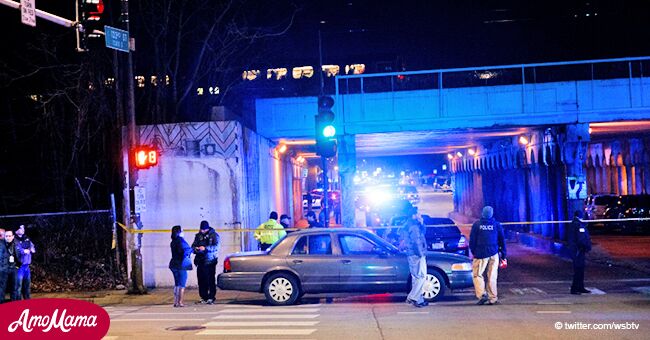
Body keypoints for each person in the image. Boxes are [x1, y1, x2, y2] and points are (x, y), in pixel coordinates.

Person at [469, 206, 507, 305]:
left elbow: (472, 241)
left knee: (477, 275)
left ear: (482, 213)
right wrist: (503, 254)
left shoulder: (477, 225)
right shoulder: (496, 225)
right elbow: (502, 240)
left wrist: (474, 252)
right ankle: (493, 297)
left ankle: (482, 295)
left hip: (480, 254)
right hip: (494, 253)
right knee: (492, 276)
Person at [399, 205, 428, 308]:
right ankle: (413, 297)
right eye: (418, 213)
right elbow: (417, 241)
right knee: (422, 276)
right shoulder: (414, 227)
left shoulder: (410, 225)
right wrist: (421, 254)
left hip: (411, 253)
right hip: (416, 254)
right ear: (413, 215)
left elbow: (422, 233)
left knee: (416, 277)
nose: (420, 214)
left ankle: (419, 300)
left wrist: (421, 223)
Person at [192, 221, 220, 304]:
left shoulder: (214, 235)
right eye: (201, 229)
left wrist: (205, 248)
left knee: (210, 279)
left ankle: (211, 297)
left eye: (203, 230)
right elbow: (193, 246)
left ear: (207, 228)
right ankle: (203, 297)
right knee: (201, 279)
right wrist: (196, 249)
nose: (202, 231)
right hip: (200, 260)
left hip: (210, 261)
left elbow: (216, 247)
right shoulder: (198, 236)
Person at [567, 211, 592, 295]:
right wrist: (585, 246)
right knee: (578, 270)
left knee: (581, 270)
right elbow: (580, 239)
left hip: (580, 250)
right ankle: (574, 288)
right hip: (578, 251)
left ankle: (580, 287)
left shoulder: (579, 224)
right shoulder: (577, 224)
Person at [169, 225, 192, 307]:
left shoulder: (173, 241)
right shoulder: (181, 241)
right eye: (182, 231)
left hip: (173, 264)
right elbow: (185, 251)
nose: (183, 232)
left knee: (177, 283)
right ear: (179, 232)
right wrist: (192, 249)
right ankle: (180, 302)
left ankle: (175, 302)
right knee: (182, 284)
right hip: (181, 265)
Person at [14, 225, 35, 300]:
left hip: (27, 266)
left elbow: (32, 247)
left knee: (27, 286)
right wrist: (23, 251)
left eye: (23, 228)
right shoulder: (14, 239)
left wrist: (32, 248)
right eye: (21, 228)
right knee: (18, 286)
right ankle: (18, 303)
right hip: (19, 266)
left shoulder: (26, 238)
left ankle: (27, 301)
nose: (23, 229)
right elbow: (17, 250)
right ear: (16, 230)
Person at [1, 230, 21, 303]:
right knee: (2, 288)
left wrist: (17, 267)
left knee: (14, 287)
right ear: (4, 237)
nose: (8, 237)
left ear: (13, 237)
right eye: (6, 236)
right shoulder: (1, 245)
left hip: (13, 269)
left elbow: (19, 257)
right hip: (3, 269)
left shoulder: (16, 245)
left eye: (10, 236)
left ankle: (14, 304)